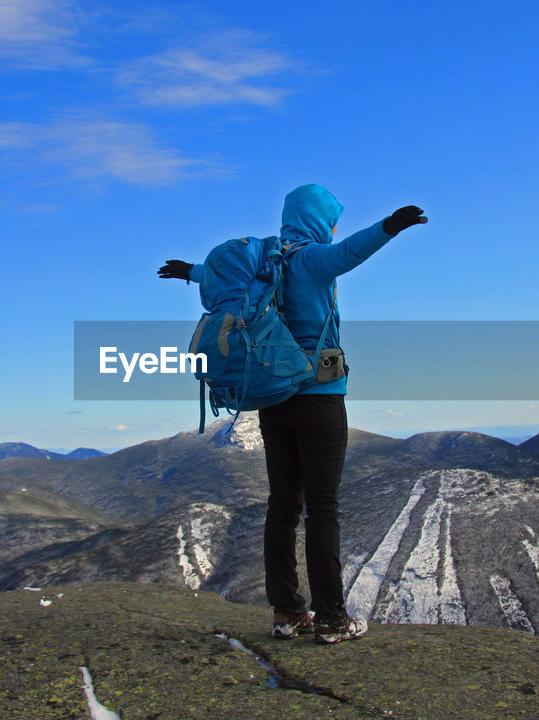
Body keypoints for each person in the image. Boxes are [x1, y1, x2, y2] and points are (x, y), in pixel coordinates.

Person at [158, 184, 427, 644]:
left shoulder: (263, 260)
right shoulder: (310, 258)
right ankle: (331, 620)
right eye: (331, 218)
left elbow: (218, 273)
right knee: (323, 508)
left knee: (282, 506)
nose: (334, 227)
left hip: (274, 398)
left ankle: (286, 613)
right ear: (317, 220)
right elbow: (347, 253)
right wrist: (391, 226)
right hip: (320, 399)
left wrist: (190, 272)